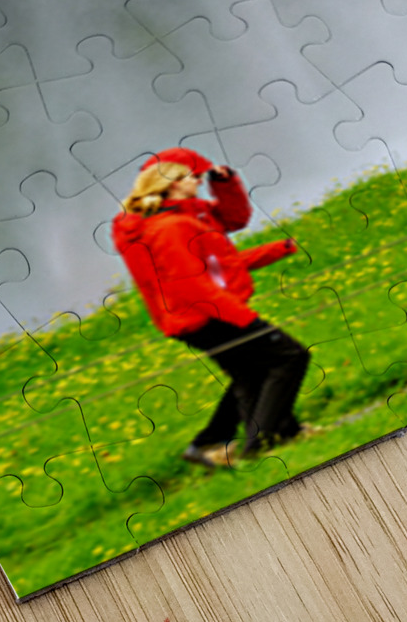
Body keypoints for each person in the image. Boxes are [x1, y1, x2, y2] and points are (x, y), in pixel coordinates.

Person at [111, 147, 314, 468]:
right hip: (206, 315)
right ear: (172, 183)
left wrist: (227, 185)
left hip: (194, 316)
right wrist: (244, 318)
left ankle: (267, 438)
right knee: (291, 356)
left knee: (250, 374)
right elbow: (192, 284)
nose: (199, 180)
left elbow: (226, 245)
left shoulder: (171, 220)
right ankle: (260, 444)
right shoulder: (170, 228)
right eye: (194, 176)